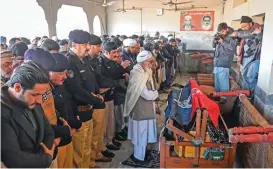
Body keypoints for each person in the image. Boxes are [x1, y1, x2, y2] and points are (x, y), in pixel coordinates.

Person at [24, 48, 72, 168]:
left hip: (52, 142)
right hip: (39, 149)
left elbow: (52, 111)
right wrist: (61, 131)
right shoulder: (23, 93)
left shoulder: (45, 86)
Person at [1, 61, 55, 168]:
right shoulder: (2, 112)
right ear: (17, 88)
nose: (40, 100)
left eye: (42, 94)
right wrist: (46, 158)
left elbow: (48, 132)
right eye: (35, 95)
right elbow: (14, 159)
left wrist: (44, 153)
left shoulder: (33, 101)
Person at [65, 29, 104, 168]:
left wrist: (97, 94)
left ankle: (88, 165)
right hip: (79, 112)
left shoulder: (83, 60)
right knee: (79, 150)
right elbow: (77, 90)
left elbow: (91, 81)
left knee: (87, 145)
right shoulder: (70, 62)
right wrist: (96, 99)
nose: (88, 47)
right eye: (85, 44)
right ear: (74, 44)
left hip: (88, 109)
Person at [84, 34, 116, 164]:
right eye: (97, 46)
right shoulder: (83, 61)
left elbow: (99, 77)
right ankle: (92, 157)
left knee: (99, 131)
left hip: (100, 97)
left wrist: (110, 84)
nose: (100, 49)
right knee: (92, 134)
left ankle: (97, 152)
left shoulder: (94, 60)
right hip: (91, 100)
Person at [124, 50, 158, 164]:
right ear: (143, 62)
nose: (151, 63)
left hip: (146, 108)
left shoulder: (146, 71)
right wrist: (155, 94)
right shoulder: (137, 73)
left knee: (144, 133)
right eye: (150, 61)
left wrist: (154, 93)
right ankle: (138, 157)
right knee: (140, 134)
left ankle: (142, 154)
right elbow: (146, 94)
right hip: (140, 109)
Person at [100, 42, 130, 151]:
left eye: (118, 51)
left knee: (112, 120)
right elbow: (109, 76)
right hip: (106, 96)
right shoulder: (102, 62)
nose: (117, 54)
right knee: (107, 122)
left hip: (113, 94)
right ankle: (106, 143)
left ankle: (111, 139)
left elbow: (119, 74)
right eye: (114, 52)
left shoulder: (113, 61)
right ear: (106, 52)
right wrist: (121, 67)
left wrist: (121, 69)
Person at [232, 16, 263, 93]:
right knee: (245, 76)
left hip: (253, 58)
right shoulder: (247, 32)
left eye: (245, 26)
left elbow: (251, 34)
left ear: (250, 23)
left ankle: (249, 95)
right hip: (246, 57)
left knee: (250, 77)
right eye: (242, 27)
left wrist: (237, 33)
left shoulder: (257, 28)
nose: (243, 28)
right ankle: (245, 93)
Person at [212, 23, 238, 102]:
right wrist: (215, 40)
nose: (221, 33)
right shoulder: (220, 35)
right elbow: (213, 46)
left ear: (227, 29)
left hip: (225, 62)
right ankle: (217, 97)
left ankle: (224, 99)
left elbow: (232, 48)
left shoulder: (232, 36)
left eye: (223, 31)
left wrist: (222, 41)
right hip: (217, 61)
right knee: (217, 81)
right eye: (220, 32)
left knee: (223, 81)